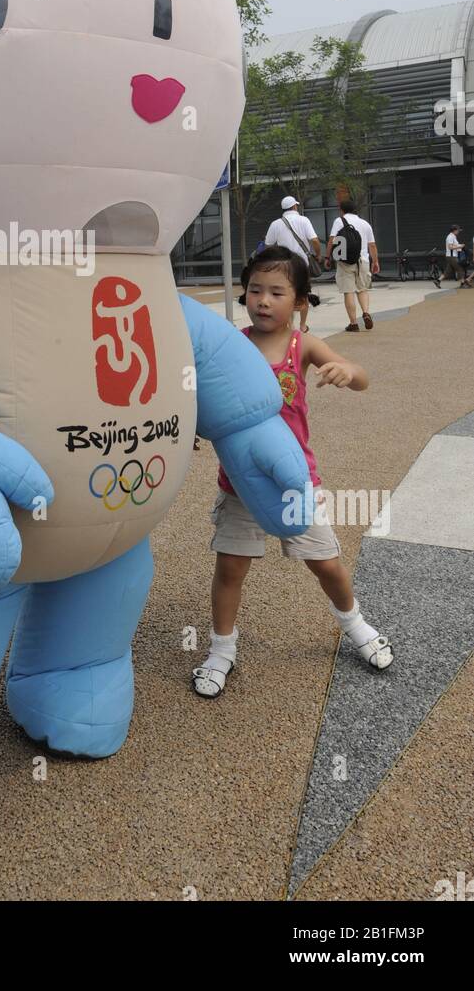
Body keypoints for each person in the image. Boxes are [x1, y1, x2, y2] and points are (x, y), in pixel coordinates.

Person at [192, 246, 393, 699]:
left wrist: (346, 369)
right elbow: (199, 391)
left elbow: (362, 377)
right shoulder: (234, 346)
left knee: (326, 563)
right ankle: (221, 649)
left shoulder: (303, 346)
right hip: (239, 485)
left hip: (295, 482)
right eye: (255, 290)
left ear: (300, 301)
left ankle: (354, 624)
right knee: (230, 568)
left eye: (277, 292)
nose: (263, 300)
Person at [263, 197, 321, 333]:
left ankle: (289, 325)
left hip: (284, 266)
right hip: (302, 265)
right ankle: (302, 325)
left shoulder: (275, 224)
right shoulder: (304, 220)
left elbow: (268, 245)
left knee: (286, 295)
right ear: (295, 206)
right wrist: (318, 254)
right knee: (303, 294)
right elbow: (315, 240)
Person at [324, 199, 378, 331]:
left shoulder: (339, 221)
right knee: (362, 289)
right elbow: (372, 245)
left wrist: (327, 257)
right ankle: (365, 312)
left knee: (348, 292)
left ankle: (353, 323)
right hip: (363, 260)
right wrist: (375, 261)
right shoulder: (365, 224)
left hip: (345, 261)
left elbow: (332, 240)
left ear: (341, 210)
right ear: (355, 209)